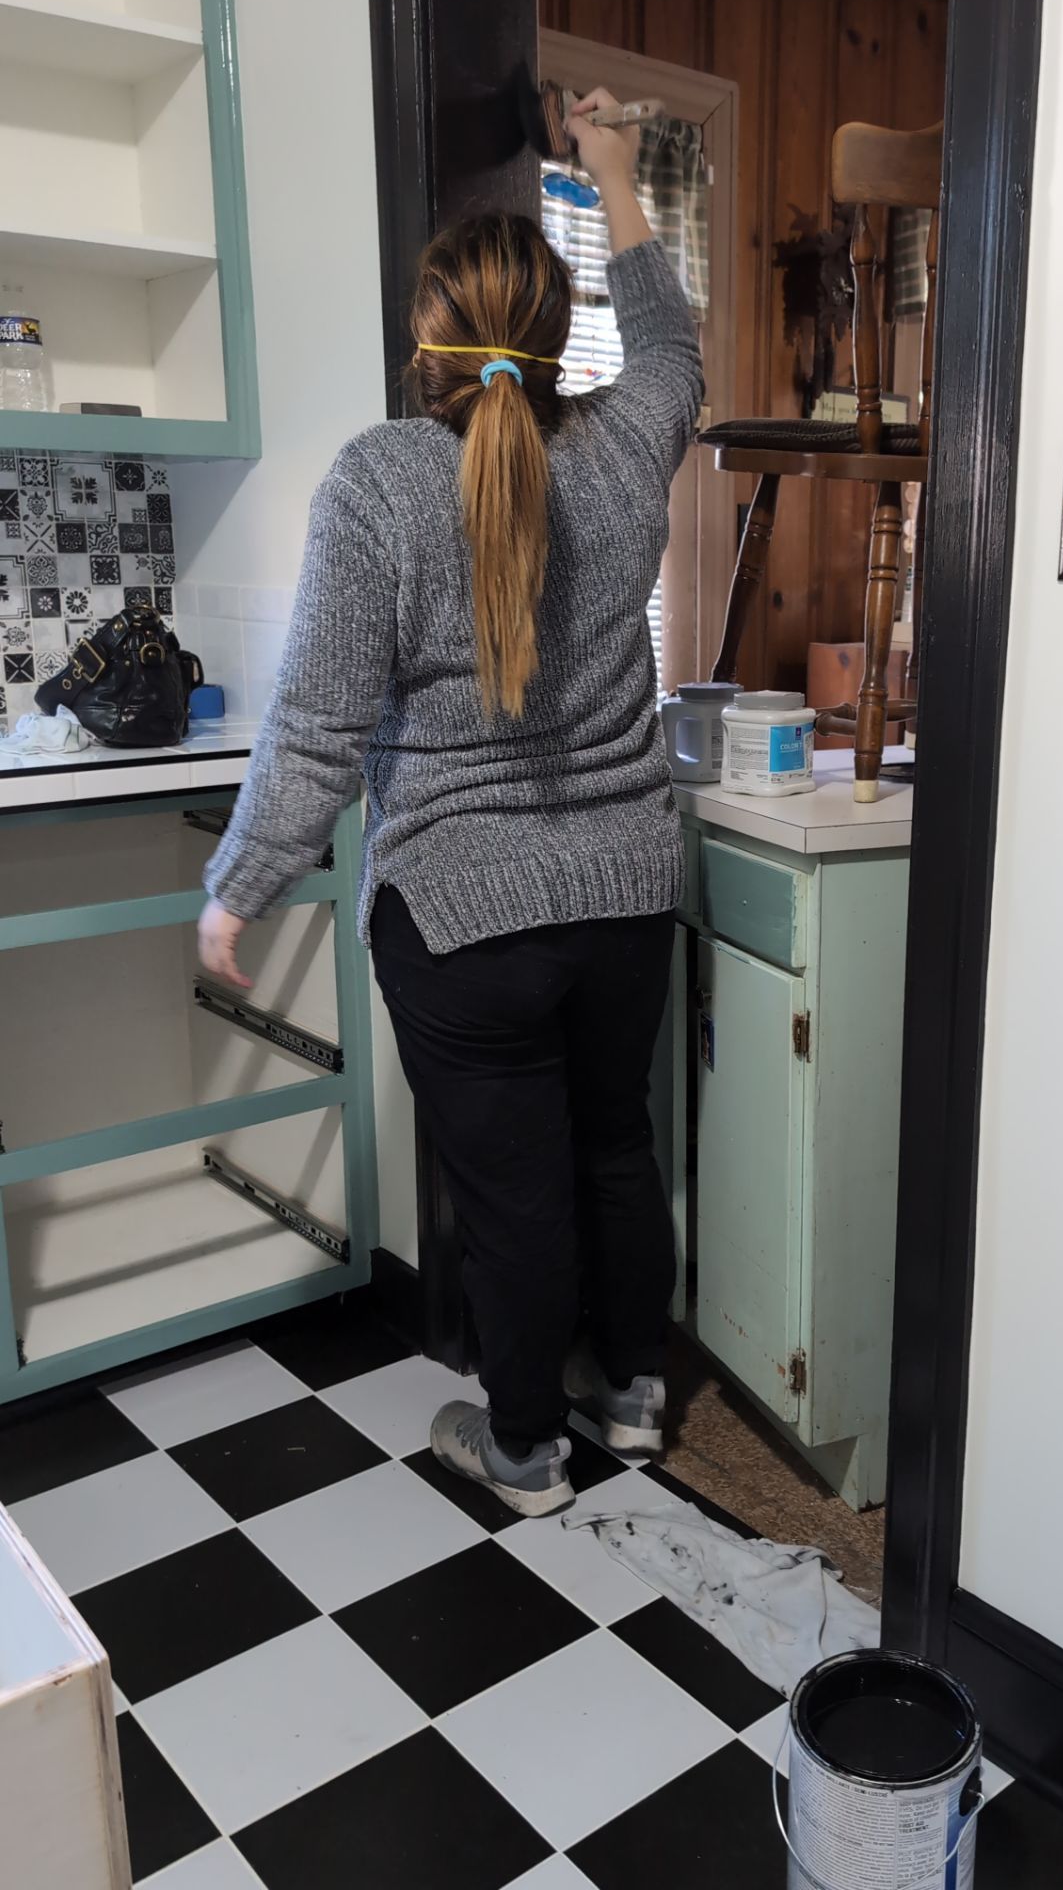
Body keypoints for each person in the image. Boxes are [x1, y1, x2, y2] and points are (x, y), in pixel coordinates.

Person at [197, 90, 702, 1518]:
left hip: (459, 912)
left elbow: (315, 729)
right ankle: (639, 1395)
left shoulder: (376, 481)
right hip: (622, 891)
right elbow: (671, 341)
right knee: (614, 1144)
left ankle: (528, 1448)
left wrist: (236, 890)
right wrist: (607, 174)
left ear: (425, 338)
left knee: (513, 1188)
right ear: (555, 339)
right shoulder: (625, 445)